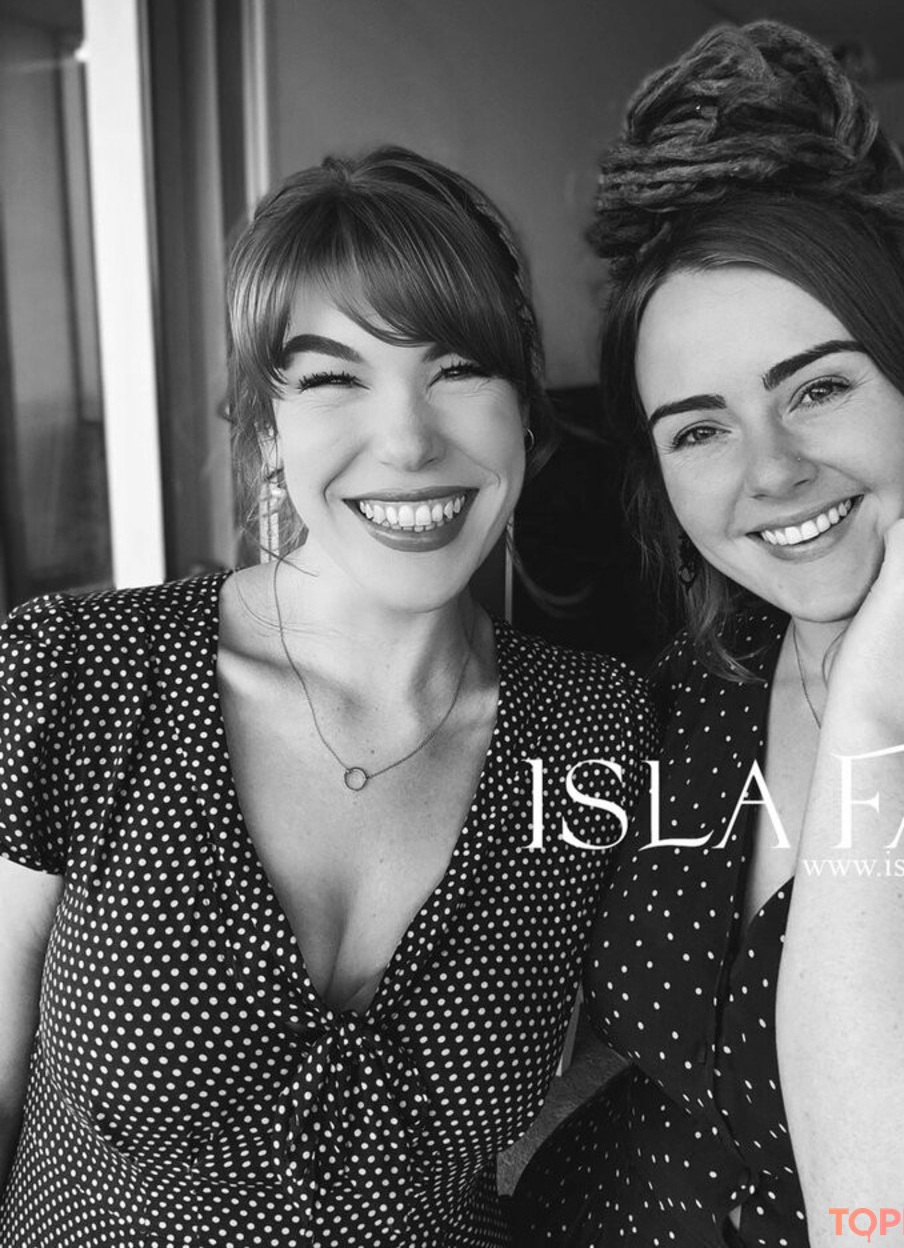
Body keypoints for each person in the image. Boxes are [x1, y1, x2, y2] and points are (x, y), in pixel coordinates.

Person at [0, 147, 657, 1247]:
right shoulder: (77, 671)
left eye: (459, 368)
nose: (407, 440)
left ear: (526, 418)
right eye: (332, 377)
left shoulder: (597, 728)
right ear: (265, 429)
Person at [513, 22, 904, 1246]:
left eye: (818, 387)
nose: (771, 471)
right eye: (699, 428)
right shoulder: (698, 683)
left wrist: (879, 719)